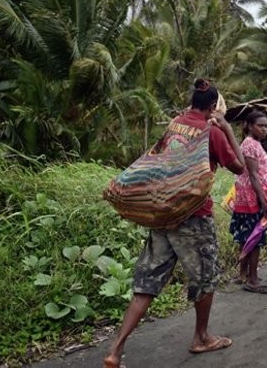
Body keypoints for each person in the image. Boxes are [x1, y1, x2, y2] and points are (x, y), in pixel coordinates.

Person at [103, 79, 245, 367]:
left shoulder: (174, 124)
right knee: (205, 278)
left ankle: (115, 350)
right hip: (194, 218)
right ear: (213, 108)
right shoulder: (212, 132)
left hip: (163, 214)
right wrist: (228, 129)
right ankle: (201, 338)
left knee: (146, 283)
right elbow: (239, 167)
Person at [229, 110, 267, 294]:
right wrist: (264, 202)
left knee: (247, 236)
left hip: (250, 198)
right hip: (252, 200)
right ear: (249, 126)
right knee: (255, 238)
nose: (264, 129)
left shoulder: (254, 144)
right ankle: (253, 280)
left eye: (266, 126)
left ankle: (243, 274)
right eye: (260, 125)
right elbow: (254, 176)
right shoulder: (250, 145)